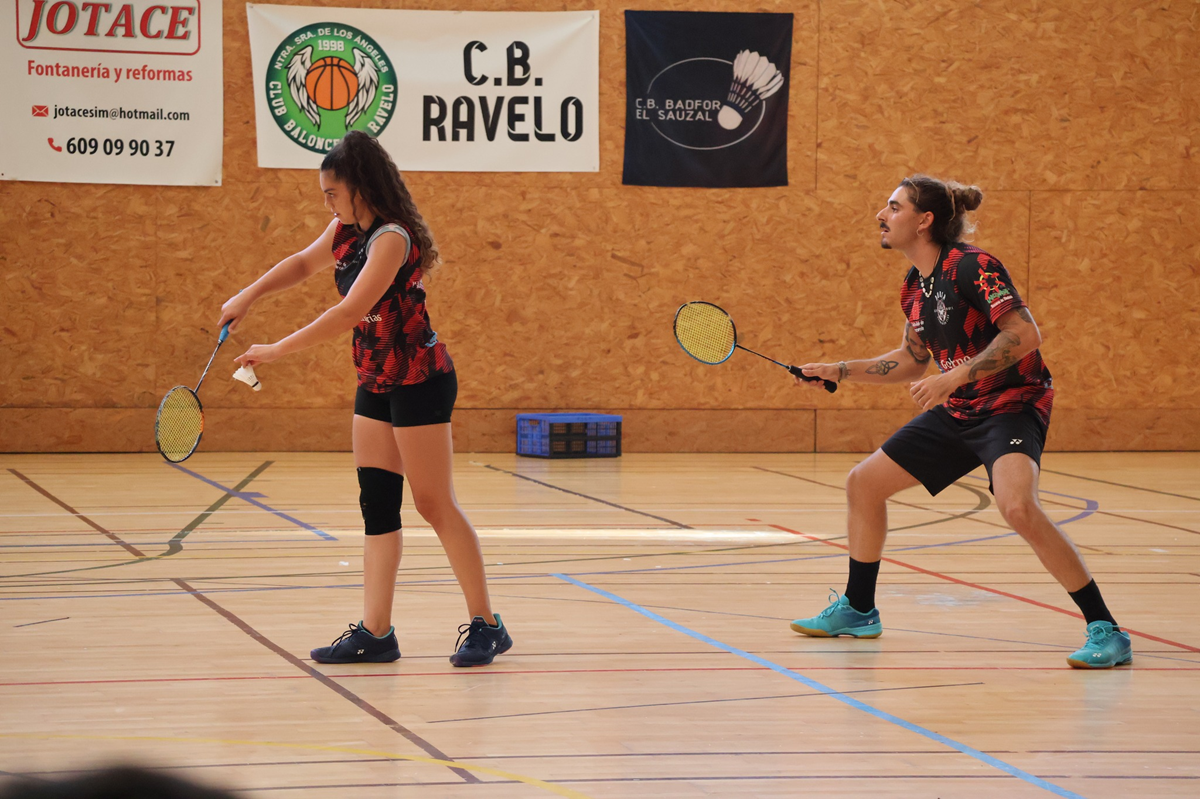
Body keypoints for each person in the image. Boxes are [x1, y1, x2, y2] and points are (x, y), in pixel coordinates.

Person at [789, 174, 1131, 669]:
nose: (881, 215)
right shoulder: (914, 287)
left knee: (1017, 507)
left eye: (893, 206)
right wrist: (837, 371)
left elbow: (1025, 333)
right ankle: (859, 609)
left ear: (924, 221)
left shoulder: (974, 267)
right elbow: (911, 361)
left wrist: (955, 378)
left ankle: (1107, 629)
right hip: (960, 407)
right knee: (864, 484)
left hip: (1012, 403)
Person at [219, 131, 512, 668]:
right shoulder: (346, 232)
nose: (327, 203)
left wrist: (277, 349)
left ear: (360, 188)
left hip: (419, 378)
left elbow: (350, 312)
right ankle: (377, 634)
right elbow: (301, 265)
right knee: (377, 508)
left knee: (433, 503)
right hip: (376, 379)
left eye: (333, 192)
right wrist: (248, 295)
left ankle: (487, 625)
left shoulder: (391, 239)